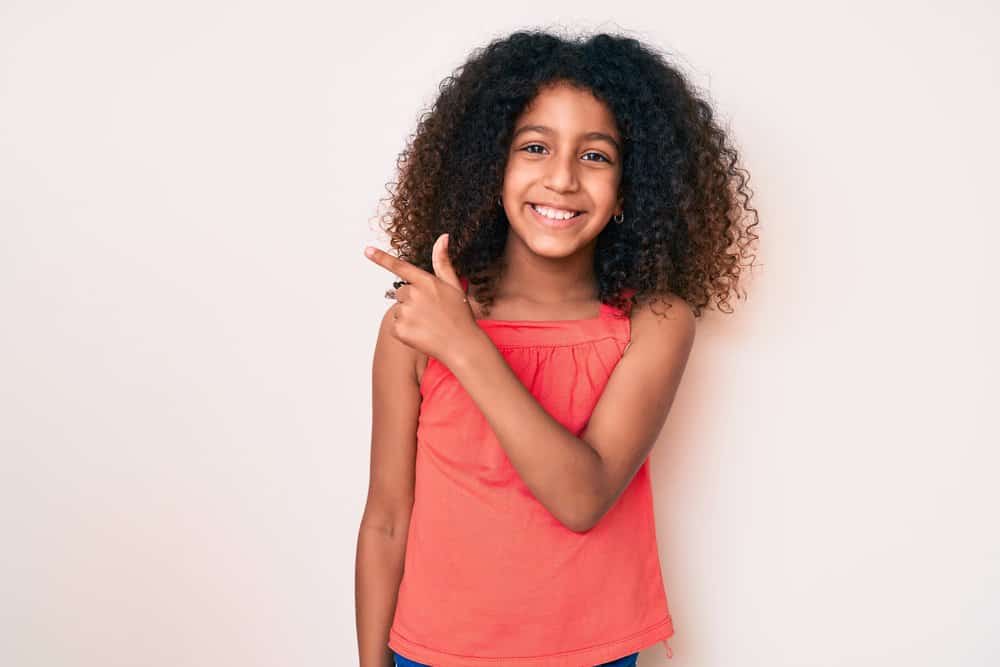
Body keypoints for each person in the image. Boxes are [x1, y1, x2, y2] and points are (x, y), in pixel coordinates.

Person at [355, 28, 759, 667]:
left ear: (631, 187)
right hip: (432, 654)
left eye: (595, 156)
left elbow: (582, 497)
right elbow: (385, 519)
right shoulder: (417, 325)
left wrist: (466, 345)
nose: (563, 178)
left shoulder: (655, 322)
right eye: (536, 147)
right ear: (492, 167)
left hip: (591, 653)